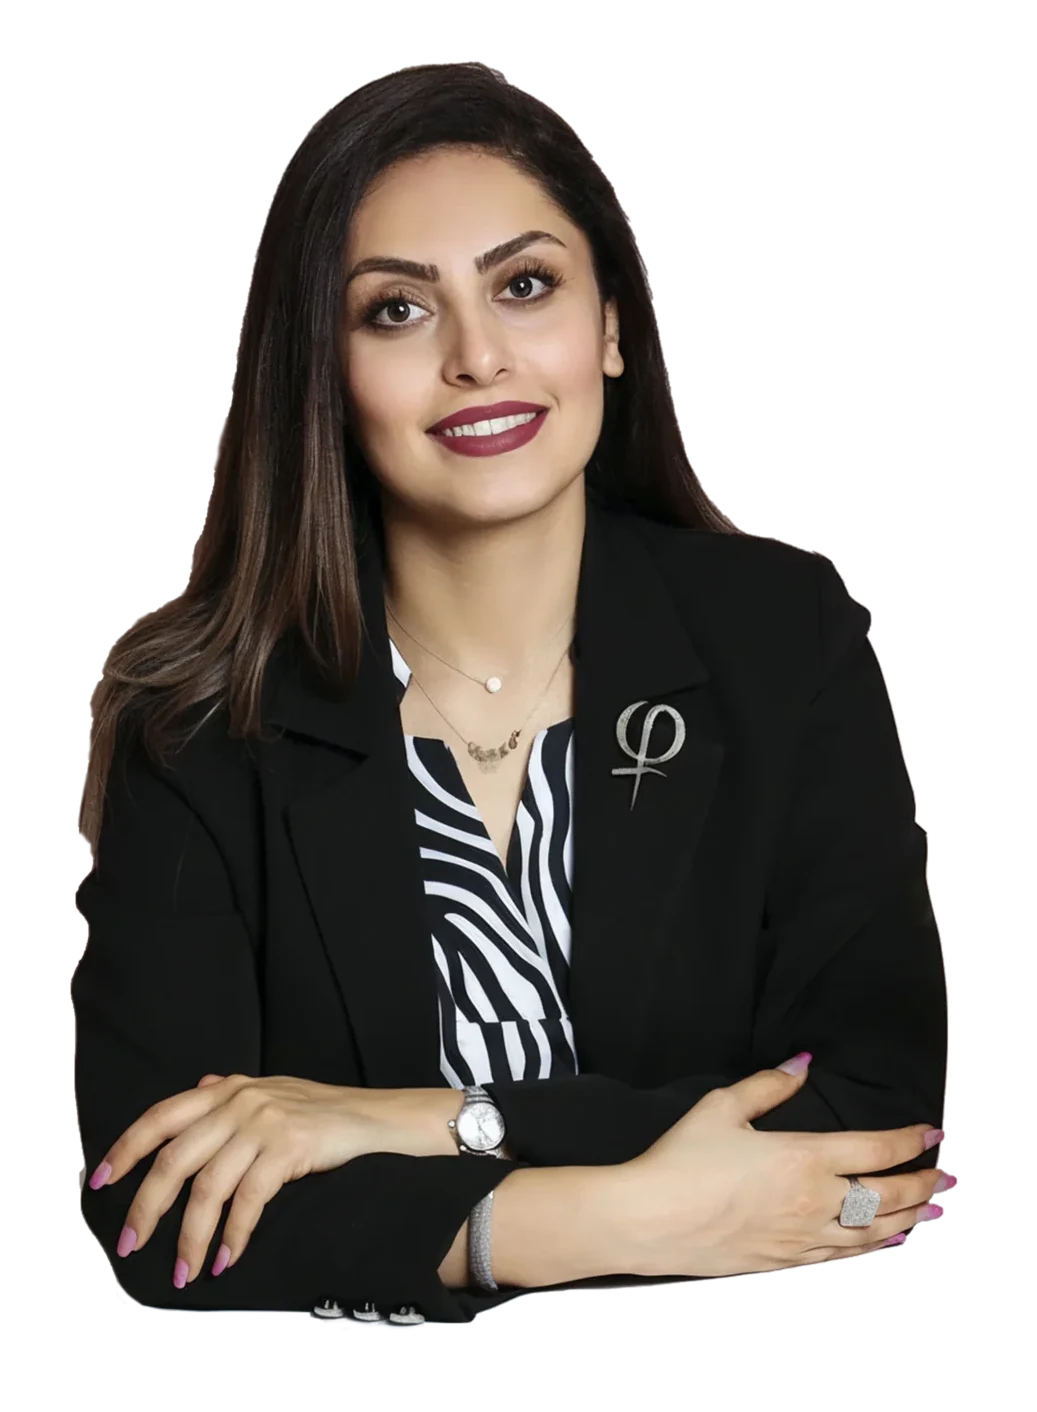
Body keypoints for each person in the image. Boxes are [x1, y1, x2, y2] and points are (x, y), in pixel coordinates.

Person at [72, 62, 950, 1326]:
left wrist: (420, 1121)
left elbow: (870, 1117)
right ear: (322, 370)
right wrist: (583, 1218)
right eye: (395, 310)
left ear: (610, 327)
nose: (477, 356)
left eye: (524, 286)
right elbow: (162, 1209)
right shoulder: (196, 716)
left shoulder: (780, 636)